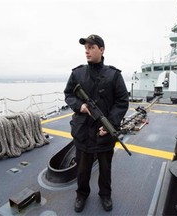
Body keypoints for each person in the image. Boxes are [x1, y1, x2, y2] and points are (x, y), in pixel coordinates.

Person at [64, 34, 129, 212]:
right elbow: (68, 94)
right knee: (83, 168)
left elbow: (122, 101)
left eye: (91, 47)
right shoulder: (77, 73)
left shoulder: (114, 75)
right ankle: (81, 194)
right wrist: (80, 105)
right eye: (85, 47)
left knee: (105, 168)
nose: (87, 50)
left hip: (104, 132)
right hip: (83, 131)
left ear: (101, 50)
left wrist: (111, 123)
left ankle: (105, 195)